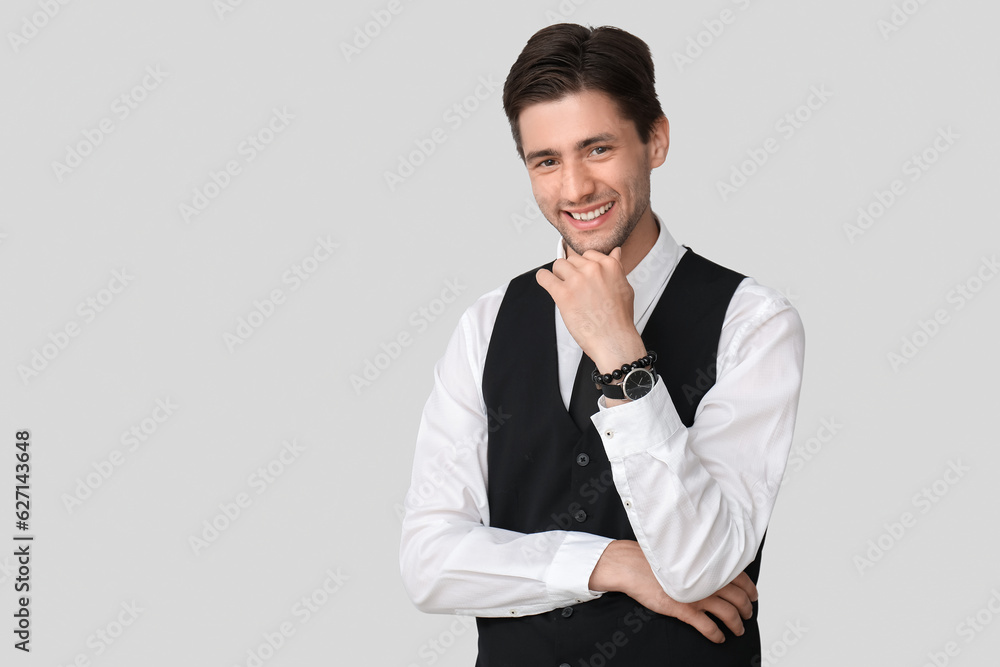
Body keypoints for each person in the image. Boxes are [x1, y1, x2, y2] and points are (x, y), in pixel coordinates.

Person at [400, 23, 805, 666]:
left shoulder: (752, 322)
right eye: (547, 160)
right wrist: (612, 563)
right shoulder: (486, 325)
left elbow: (700, 563)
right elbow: (429, 560)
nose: (575, 189)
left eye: (598, 148)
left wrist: (620, 351)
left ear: (656, 140)